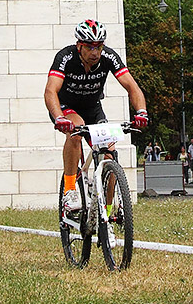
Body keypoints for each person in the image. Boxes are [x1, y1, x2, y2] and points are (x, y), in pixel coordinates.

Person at [44, 19, 148, 212]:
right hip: (66, 108)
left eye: (99, 47)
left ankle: (106, 212)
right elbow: (51, 91)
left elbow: (132, 86)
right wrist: (59, 117)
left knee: (109, 155)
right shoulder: (65, 57)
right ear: (79, 46)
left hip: (93, 109)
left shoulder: (108, 57)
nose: (95, 53)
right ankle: (69, 190)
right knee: (75, 129)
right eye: (89, 47)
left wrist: (141, 112)